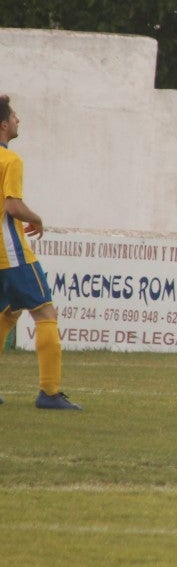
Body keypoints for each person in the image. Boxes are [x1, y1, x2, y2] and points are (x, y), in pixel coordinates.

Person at [0, 95, 82, 409]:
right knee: (45, 311)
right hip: (12, 253)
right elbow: (12, 205)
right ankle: (49, 393)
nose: (19, 119)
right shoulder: (10, 160)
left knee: (8, 312)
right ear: (4, 124)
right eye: (15, 115)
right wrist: (36, 218)